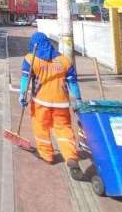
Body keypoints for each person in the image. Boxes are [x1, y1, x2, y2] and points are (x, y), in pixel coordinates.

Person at [19, 32, 84, 180]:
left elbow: (25, 78)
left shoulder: (31, 59)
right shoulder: (64, 60)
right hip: (61, 103)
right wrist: (78, 99)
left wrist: (22, 95)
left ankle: (46, 155)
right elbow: (72, 82)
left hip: (40, 101)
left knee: (41, 128)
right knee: (64, 130)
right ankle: (71, 158)